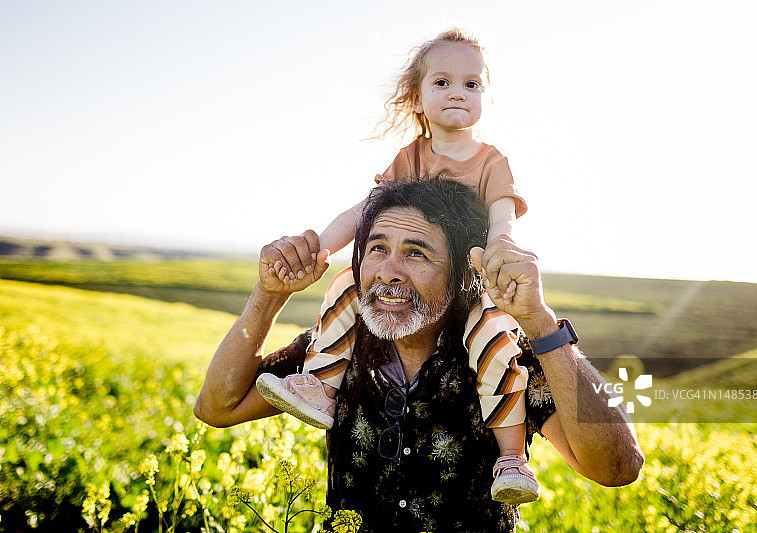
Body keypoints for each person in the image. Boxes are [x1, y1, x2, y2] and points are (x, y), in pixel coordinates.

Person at [194, 179, 644, 533]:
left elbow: (617, 468)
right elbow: (218, 407)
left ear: (462, 276)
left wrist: (542, 325)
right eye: (376, 249)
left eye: (416, 254)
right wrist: (269, 294)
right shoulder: (338, 347)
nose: (388, 272)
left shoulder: (505, 356)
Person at [256, 28, 542, 504]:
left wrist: (502, 247)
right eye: (443, 82)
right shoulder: (409, 158)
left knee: (496, 345)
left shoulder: (492, 161)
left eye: (473, 84)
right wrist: (319, 247)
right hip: (420, 284)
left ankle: (512, 457)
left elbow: (502, 214)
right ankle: (321, 386)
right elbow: (364, 212)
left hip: (470, 283)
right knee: (346, 286)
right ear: (418, 96)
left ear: (488, 96)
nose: (458, 92)